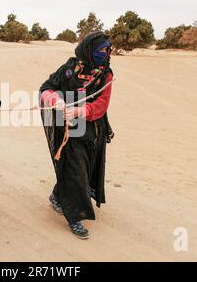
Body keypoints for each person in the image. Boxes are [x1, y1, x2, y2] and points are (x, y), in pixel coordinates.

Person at [39, 31, 114, 239]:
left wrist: (83, 111)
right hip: (67, 130)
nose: (107, 53)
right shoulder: (70, 68)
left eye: (108, 50)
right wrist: (56, 101)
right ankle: (74, 217)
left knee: (83, 168)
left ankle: (56, 195)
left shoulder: (106, 75)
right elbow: (46, 88)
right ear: (89, 51)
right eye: (102, 50)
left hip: (92, 131)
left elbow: (102, 104)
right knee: (75, 169)